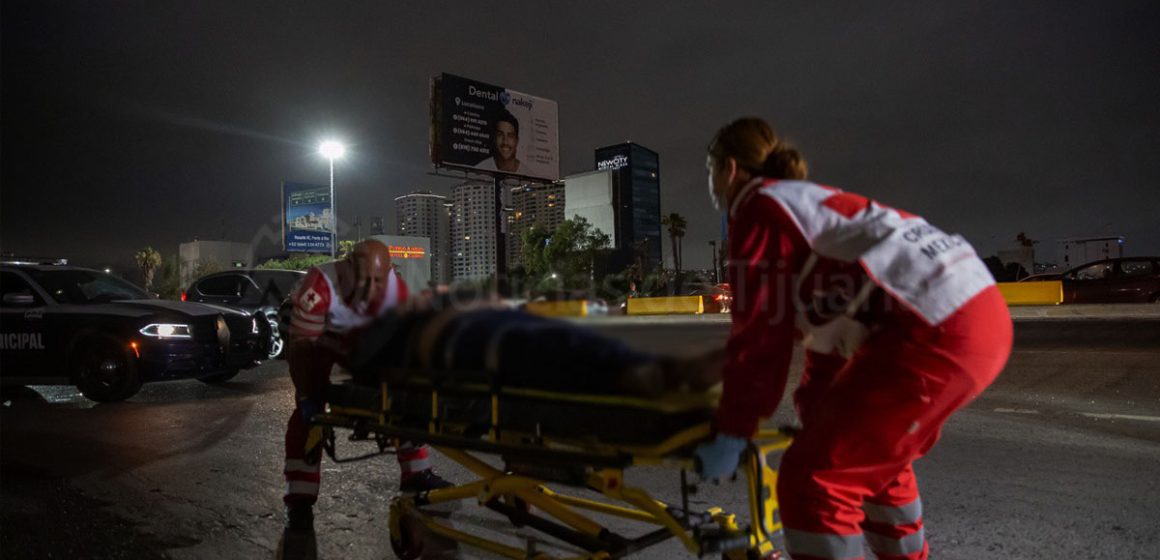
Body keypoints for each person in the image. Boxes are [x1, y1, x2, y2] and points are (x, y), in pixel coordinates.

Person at [693, 118, 1011, 560]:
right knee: (870, 459)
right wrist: (817, 416)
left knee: (813, 481)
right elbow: (827, 355)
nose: (710, 186)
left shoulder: (757, 207)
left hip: (934, 322)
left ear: (729, 169)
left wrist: (733, 429)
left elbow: (760, 338)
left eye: (708, 172)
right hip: (974, 308)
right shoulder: (807, 206)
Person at [276, 240, 451, 559]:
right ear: (347, 269)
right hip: (319, 341)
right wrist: (307, 397)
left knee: (405, 397)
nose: (371, 288)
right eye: (363, 281)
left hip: (363, 341)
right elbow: (301, 349)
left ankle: (416, 473)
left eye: (378, 281)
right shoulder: (319, 285)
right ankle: (299, 502)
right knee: (304, 422)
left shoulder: (395, 289)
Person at [478, 108, 521, 174]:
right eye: (500, 135)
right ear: (494, 139)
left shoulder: (531, 176)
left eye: (510, 136)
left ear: (517, 141)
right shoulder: (480, 171)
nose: (505, 141)